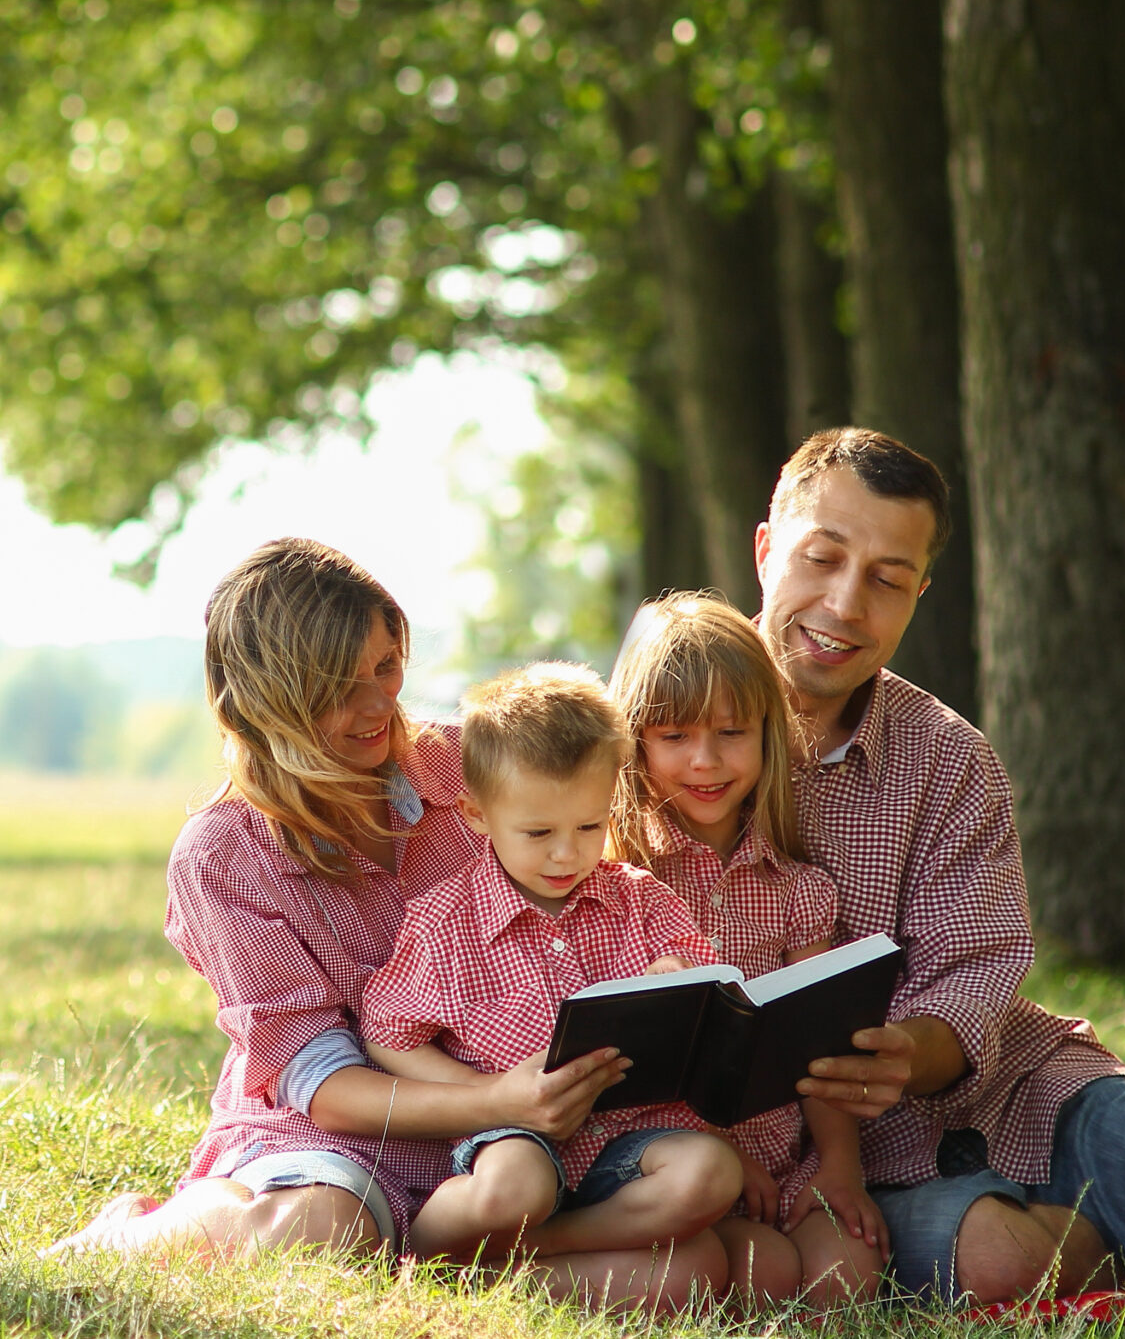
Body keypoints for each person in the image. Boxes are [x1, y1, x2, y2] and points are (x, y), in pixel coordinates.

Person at [753, 428, 1125, 1304]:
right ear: (768, 550)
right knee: (1010, 1264)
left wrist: (905, 1052)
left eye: (888, 579)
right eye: (822, 558)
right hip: (845, 1167)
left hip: (1019, 1094)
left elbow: (974, 981)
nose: (846, 604)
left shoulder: (948, 757)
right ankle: (1102, 1237)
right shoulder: (651, 733)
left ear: (919, 594)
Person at [46, 539, 725, 1311]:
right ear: (265, 700)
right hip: (338, 1143)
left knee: (688, 1272)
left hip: (520, 1153)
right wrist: (500, 1099)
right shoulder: (223, 855)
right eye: (339, 687)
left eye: (385, 666)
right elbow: (325, 1084)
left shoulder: (463, 765)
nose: (378, 705)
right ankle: (131, 1240)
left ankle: (451, 1266)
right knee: (324, 1223)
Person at [357, 662, 743, 1307]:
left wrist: (678, 978)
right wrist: (490, 1096)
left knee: (708, 1184)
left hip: (627, 1143)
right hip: (516, 1137)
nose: (567, 855)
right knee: (516, 1186)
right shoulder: (447, 922)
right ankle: (421, 1257)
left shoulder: (639, 901)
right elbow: (388, 1034)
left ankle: (510, 1264)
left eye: (589, 828)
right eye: (538, 833)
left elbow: (703, 988)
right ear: (478, 815)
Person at [606, 591, 886, 1307]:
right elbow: (632, 1065)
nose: (706, 761)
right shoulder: (618, 884)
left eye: (732, 732)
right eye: (674, 737)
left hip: (781, 1156)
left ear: (769, 733)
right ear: (634, 742)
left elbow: (819, 1046)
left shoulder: (798, 890)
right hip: (667, 1163)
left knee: (847, 1276)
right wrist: (722, 1157)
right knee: (766, 1274)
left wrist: (840, 1169)